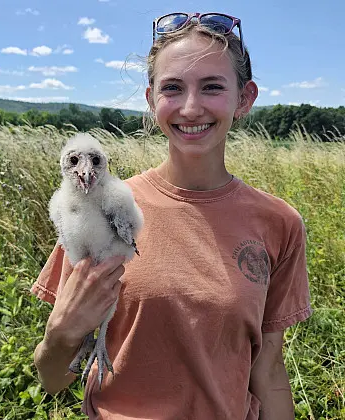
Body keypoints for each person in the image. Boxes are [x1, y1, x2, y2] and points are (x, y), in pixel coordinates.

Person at [32, 12, 312, 420]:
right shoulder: (103, 209)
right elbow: (53, 379)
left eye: (213, 87)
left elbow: (267, 370)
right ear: (151, 100)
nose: (191, 107)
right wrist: (61, 333)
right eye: (173, 88)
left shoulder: (279, 222)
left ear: (245, 98)